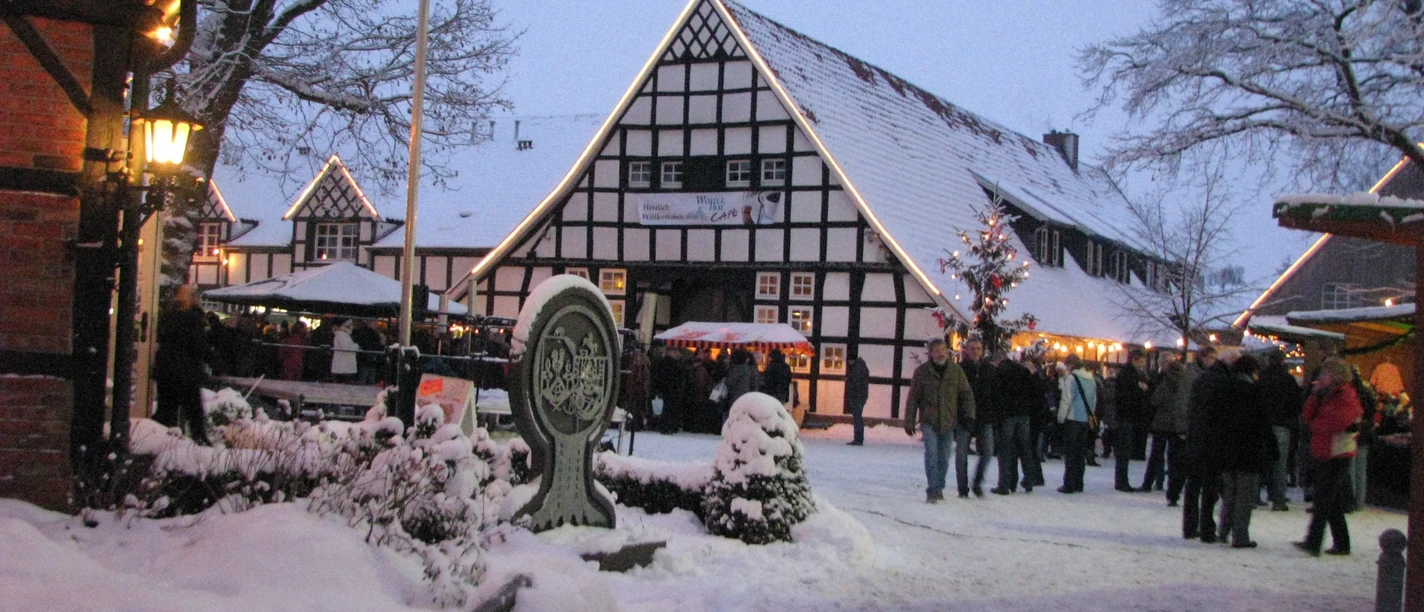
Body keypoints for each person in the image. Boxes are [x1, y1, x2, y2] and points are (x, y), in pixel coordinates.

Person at [1294, 357, 1363, 557]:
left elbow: (1332, 423)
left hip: (1337, 452)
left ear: (1334, 375)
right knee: (1331, 501)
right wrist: (1314, 397)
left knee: (1323, 499)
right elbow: (1308, 417)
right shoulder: (1326, 395)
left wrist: (1316, 424)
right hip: (1327, 450)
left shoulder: (1344, 395)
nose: (1320, 378)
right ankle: (1341, 543)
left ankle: (1314, 542)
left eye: (1324, 374)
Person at [903, 338, 976, 503]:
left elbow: (966, 394)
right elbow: (913, 397)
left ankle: (939, 487)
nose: (940, 353)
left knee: (943, 457)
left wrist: (969, 414)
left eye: (943, 350)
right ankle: (933, 489)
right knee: (931, 455)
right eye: (936, 350)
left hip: (949, 421)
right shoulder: (922, 372)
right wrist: (909, 420)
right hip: (929, 420)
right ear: (930, 353)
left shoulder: (955, 371)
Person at [1216, 354, 1276, 549]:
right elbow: (1264, 423)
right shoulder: (1255, 392)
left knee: (1229, 493)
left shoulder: (1224, 390)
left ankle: (1223, 530)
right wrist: (1272, 449)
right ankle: (1240, 536)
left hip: (1227, 448)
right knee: (1245, 496)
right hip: (1249, 450)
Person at [1183, 346, 1233, 543]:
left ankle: (1189, 526)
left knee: (1194, 484)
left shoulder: (1200, 380)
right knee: (1210, 486)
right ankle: (1206, 528)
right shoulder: (1223, 382)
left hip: (1196, 437)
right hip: (1213, 440)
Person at [153, 285, 211, 445]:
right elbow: (199, 346)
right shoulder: (194, 318)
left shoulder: (168, 315)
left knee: (166, 410)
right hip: (188, 371)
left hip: (166, 370)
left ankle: (161, 442)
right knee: (194, 411)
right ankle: (200, 442)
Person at [991, 349, 1044, 494]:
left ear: (997, 361)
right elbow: (1035, 389)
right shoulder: (1022, 370)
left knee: (1005, 449)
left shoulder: (999, 372)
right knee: (1024, 447)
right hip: (1024, 414)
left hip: (1008, 414)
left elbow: (996, 394)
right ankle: (1029, 480)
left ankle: (1005, 484)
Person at [1258, 350, 1303, 511]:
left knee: (1261, 461)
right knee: (1279, 463)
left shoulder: (1261, 378)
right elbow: (1297, 404)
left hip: (1262, 424)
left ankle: (1255, 496)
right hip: (1282, 424)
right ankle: (1278, 498)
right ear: (1283, 361)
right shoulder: (1288, 380)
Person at [959, 337, 997, 497]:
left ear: (982, 351)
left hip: (985, 416)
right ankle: (963, 487)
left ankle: (977, 482)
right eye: (972, 348)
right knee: (961, 455)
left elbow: (996, 392)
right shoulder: (960, 369)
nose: (975, 351)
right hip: (964, 416)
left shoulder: (989, 369)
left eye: (978, 348)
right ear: (967, 350)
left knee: (988, 451)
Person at [1056, 354, 1096, 494]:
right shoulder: (1091, 378)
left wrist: (1061, 417)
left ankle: (1069, 484)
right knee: (1080, 453)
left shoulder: (1071, 378)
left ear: (1071, 365)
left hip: (1072, 419)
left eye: (1067, 365)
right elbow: (1093, 400)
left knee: (1070, 453)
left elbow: (1066, 399)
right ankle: (1079, 482)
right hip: (1085, 419)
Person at [1114, 349, 1152, 492]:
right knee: (1124, 451)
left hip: (1128, 416)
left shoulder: (1132, 374)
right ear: (1134, 359)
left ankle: (1122, 480)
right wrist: (1141, 389)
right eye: (1140, 361)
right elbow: (1126, 396)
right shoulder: (1129, 375)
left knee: (1125, 451)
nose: (1142, 364)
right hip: (1127, 416)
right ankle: (1122, 481)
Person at [843, 351, 870, 445]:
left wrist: (849, 380)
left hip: (857, 396)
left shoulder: (857, 369)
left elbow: (857, 383)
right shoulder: (860, 367)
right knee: (857, 417)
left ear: (852, 360)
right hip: (860, 396)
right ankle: (858, 438)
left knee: (857, 418)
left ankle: (858, 439)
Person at [351, 318, 385, 385]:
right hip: (369, 357)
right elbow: (376, 345)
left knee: (365, 377)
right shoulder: (373, 334)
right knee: (369, 377)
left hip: (365, 358)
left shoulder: (361, 332)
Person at [330, 318, 359, 383]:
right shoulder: (342, 335)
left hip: (343, 367)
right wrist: (356, 346)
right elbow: (347, 348)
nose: (353, 327)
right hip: (344, 368)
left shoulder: (344, 335)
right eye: (351, 325)